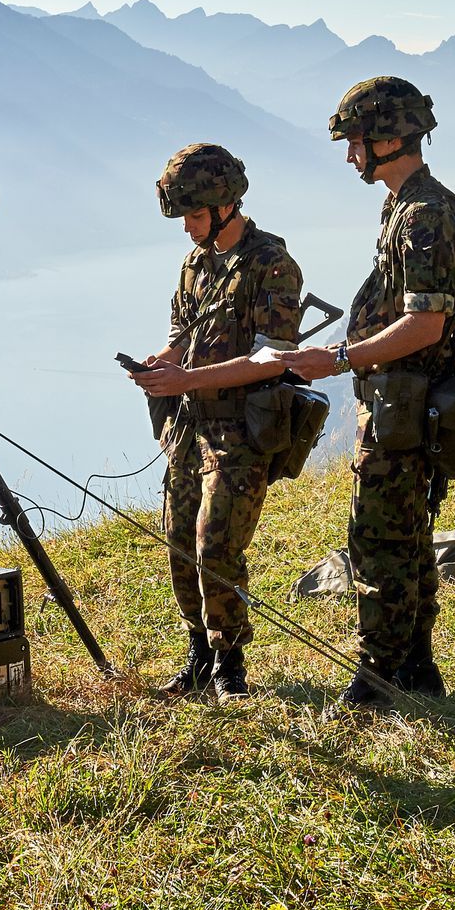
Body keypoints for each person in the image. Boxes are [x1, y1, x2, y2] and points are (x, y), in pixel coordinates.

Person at [265, 78, 455, 711]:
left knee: (378, 539)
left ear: (387, 138)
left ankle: (377, 680)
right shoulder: (404, 205)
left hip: (404, 400)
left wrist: (337, 358)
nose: (351, 156)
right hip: (396, 397)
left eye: (355, 142)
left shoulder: (424, 213)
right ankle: (416, 667)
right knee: (404, 535)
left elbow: (425, 324)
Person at [130, 143, 303, 700]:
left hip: (240, 433)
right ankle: (198, 655)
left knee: (215, 546)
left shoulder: (272, 266)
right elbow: (184, 332)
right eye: (183, 216)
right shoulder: (195, 264)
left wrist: (187, 379)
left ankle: (231, 664)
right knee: (179, 541)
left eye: (196, 215)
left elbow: (272, 357)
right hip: (188, 429)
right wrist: (163, 360)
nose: (187, 227)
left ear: (227, 204)